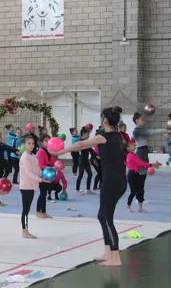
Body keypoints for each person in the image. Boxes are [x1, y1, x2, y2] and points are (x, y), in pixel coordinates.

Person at [54, 107, 128, 267]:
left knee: (107, 218)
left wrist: (62, 150)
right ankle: (108, 252)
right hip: (117, 179)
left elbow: (81, 144)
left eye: (101, 118)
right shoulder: (118, 135)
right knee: (102, 216)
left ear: (105, 121)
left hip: (113, 181)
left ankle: (115, 258)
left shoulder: (103, 136)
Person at [19, 134, 48, 239]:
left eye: (32, 143)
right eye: (29, 143)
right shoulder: (25, 157)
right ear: (24, 145)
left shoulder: (32, 155)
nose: (31, 145)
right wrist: (40, 179)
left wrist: (43, 174)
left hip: (31, 186)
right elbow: (28, 173)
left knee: (27, 209)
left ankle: (25, 230)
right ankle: (24, 231)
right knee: (25, 210)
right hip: (26, 187)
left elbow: (37, 169)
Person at [125, 139, 160, 212]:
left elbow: (141, 164)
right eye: (133, 145)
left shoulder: (134, 155)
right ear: (128, 148)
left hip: (137, 174)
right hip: (132, 175)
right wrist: (153, 165)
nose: (135, 146)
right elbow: (142, 164)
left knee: (140, 190)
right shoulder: (131, 156)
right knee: (133, 191)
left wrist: (151, 166)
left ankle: (140, 208)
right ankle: (128, 206)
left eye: (135, 145)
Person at [0, 131, 18, 207]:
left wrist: (15, 151)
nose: (0, 138)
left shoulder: (0, 145)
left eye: (0, 137)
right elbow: (6, 147)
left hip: (0, 169)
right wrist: (15, 150)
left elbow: (7, 147)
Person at [36, 134, 55, 218]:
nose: (48, 142)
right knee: (42, 194)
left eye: (49, 140)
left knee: (44, 193)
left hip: (48, 175)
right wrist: (51, 167)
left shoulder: (50, 151)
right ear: (41, 142)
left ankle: (43, 212)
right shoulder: (41, 151)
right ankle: (38, 212)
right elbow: (41, 165)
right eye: (45, 141)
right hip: (42, 175)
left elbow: (53, 162)